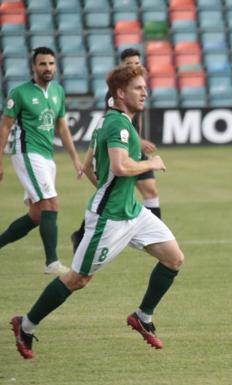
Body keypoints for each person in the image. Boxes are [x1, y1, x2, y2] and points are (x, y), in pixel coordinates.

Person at [10, 64, 185, 360]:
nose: (145, 92)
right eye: (138, 88)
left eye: (145, 87)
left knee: (174, 258)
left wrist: (106, 189)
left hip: (132, 212)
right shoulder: (118, 125)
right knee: (78, 279)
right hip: (110, 220)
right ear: (120, 93)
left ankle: (142, 316)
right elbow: (119, 167)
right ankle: (25, 325)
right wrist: (152, 163)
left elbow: (88, 167)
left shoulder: (111, 121)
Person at [70, 48, 162, 253]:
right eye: (130, 64)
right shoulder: (117, 94)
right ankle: (84, 233)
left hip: (133, 147)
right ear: (122, 66)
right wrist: (88, 161)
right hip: (121, 147)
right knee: (113, 195)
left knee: (150, 191)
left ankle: (152, 236)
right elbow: (112, 124)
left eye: (137, 63)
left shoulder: (139, 89)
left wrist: (138, 141)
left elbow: (131, 124)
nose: (135, 67)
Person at [0, 47, 82, 275]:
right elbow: (5, 127)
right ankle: (52, 263)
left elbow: (63, 128)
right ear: (34, 67)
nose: (48, 68)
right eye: (43, 64)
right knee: (52, 203)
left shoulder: (58, 91)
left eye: (51, 64)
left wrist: (76, 159)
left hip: (47, 156)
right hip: (27, 153)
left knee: (37, 215)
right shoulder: (19, 93)